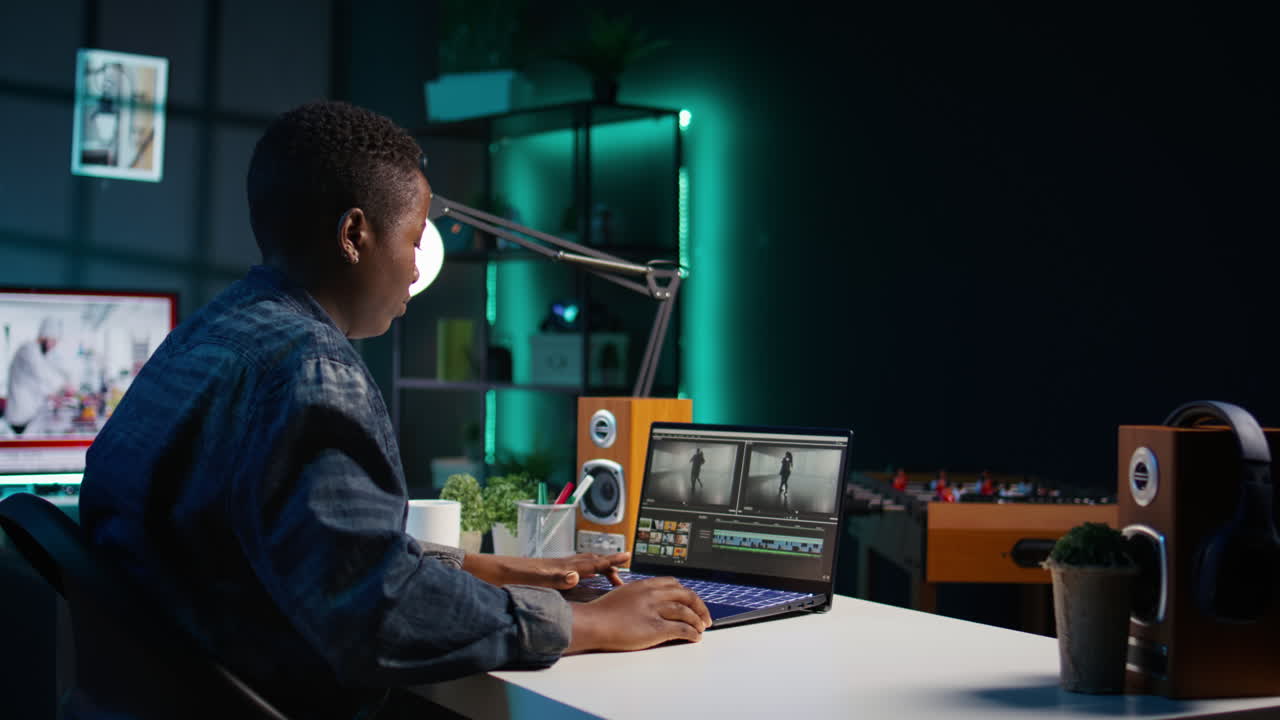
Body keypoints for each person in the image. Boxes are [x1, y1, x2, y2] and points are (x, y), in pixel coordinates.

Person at [78, 101, 710, 720]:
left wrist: (482, 567)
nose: (414, 268)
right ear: (355, 234)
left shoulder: (206, 336)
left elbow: (299, 548)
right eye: (413, 239)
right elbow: (375, 613)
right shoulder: (311, 370)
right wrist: (585, 620)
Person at [4, 316, 73, 434]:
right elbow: (42, 374)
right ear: (45, 337)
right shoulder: (28, 349)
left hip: (30, 414)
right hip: (20, 416)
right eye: (53, 341)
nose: (54, 346)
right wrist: (63, 387)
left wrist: (61, 388)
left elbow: (46, 376)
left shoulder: (39, 353)